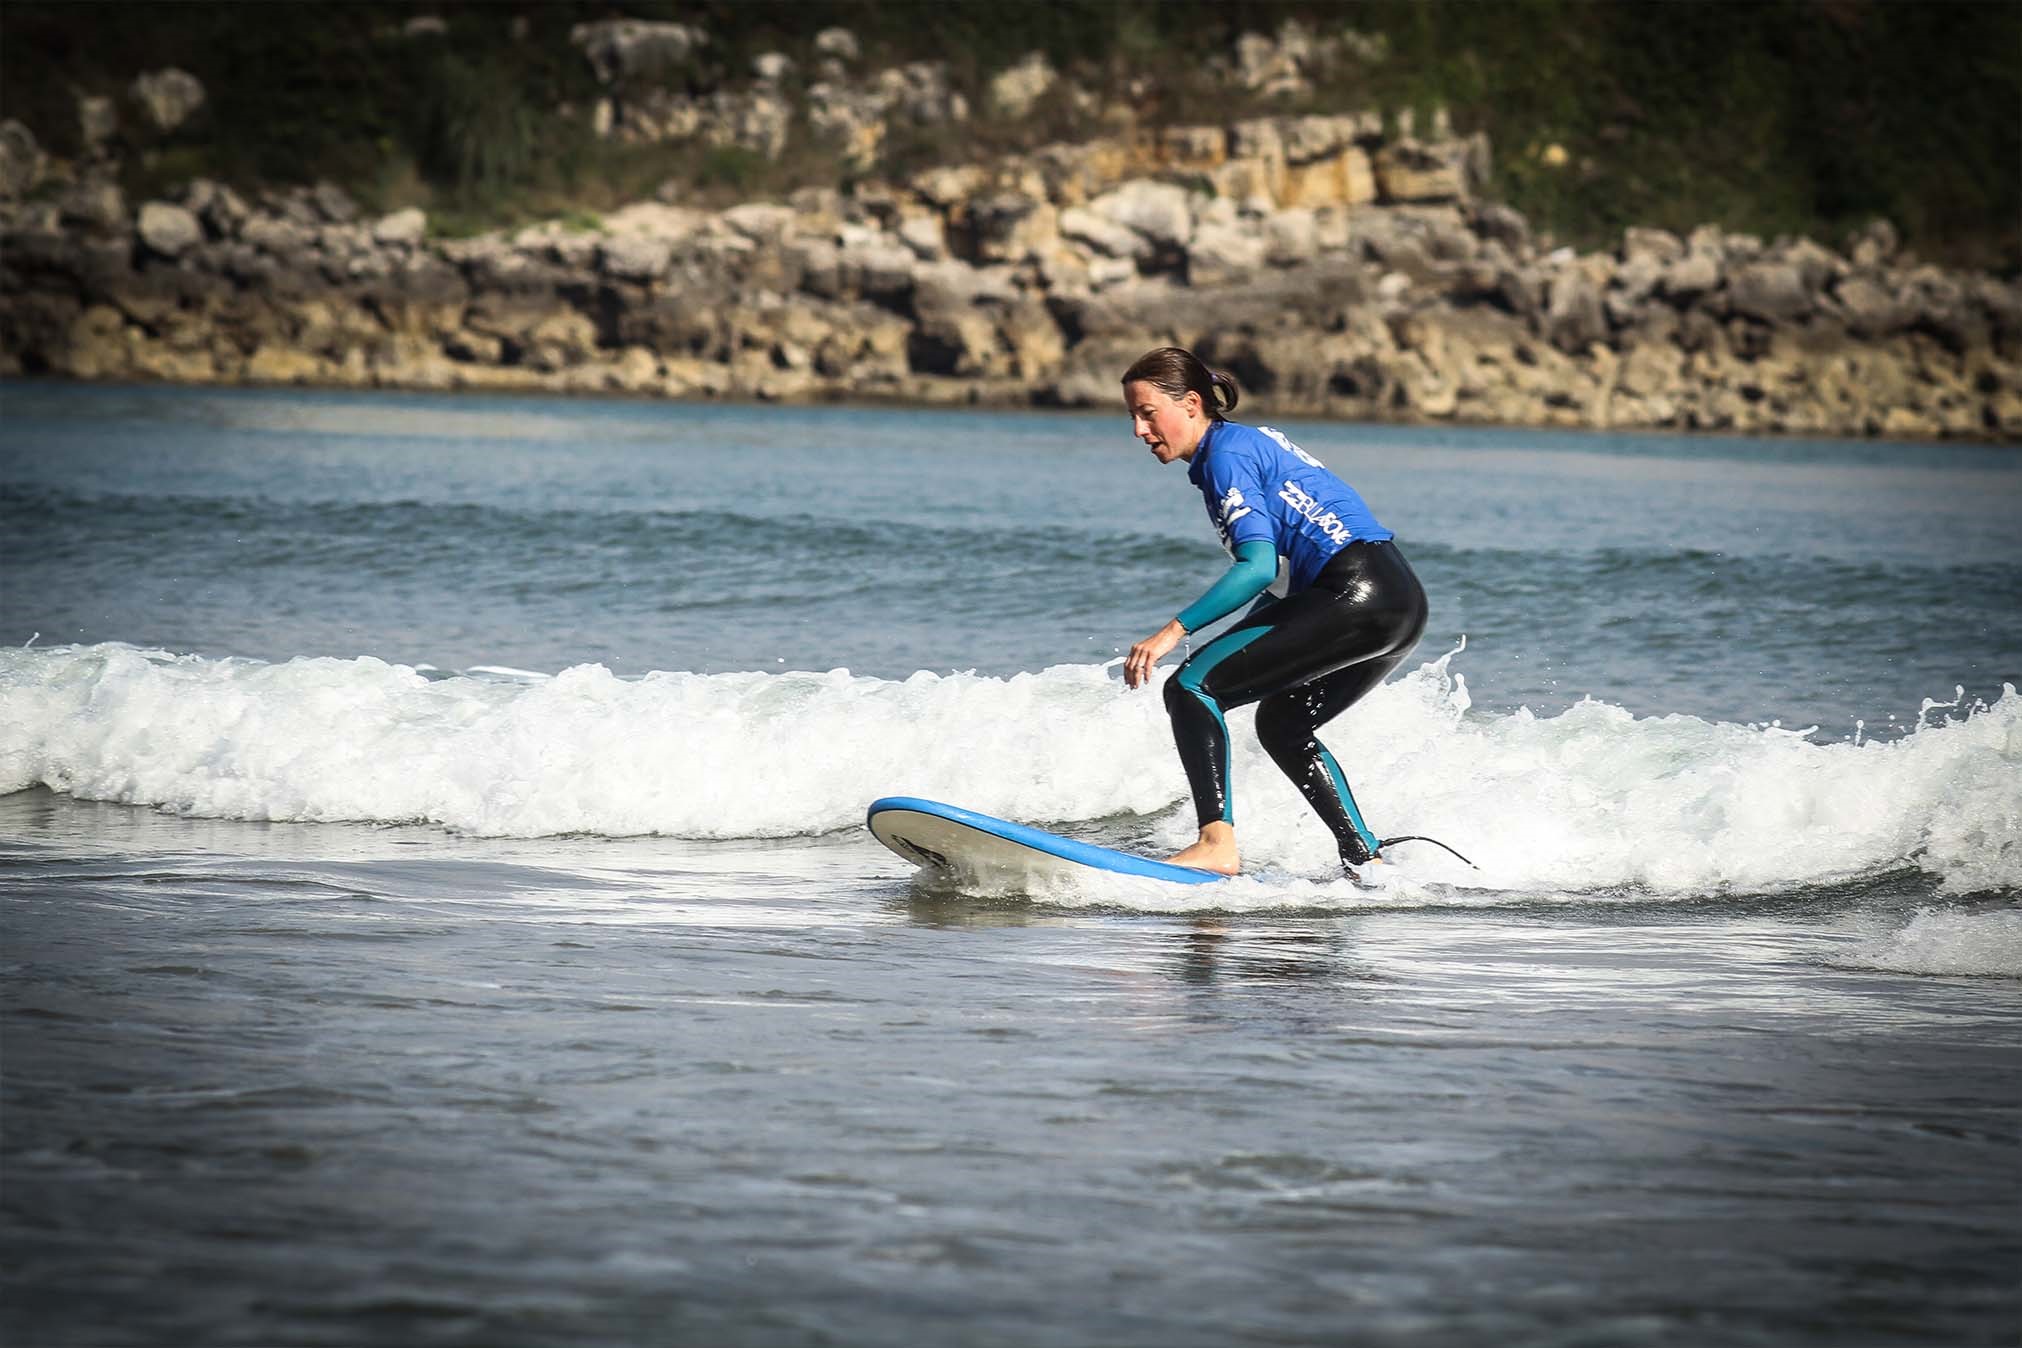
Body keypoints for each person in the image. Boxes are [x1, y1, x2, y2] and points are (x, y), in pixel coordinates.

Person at [1120, 346, 1428, 878]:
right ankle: (1364, 857)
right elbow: (1284, 581)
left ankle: (1217, 844)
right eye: (1133, 416)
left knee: (1191, 687)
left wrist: (1173, 632)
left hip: (1351, 590)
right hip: (1396, 600)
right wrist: (1225, 645)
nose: (1139, 430)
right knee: (1283, 722)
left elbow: (1258, 567)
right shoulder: (1248, 442)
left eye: (1148, 413)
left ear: (1191, 404)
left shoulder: (1225, 456)